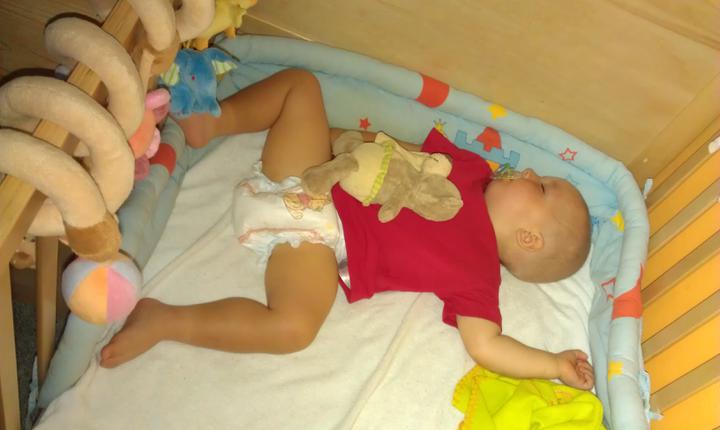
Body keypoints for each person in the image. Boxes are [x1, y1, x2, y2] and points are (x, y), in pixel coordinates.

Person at [100, 69, 594, 391]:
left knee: (295, 329)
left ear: (529, 239)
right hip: (312, 172)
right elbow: (399, 150)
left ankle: (167, 321)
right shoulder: (470, 169)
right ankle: (217, 121)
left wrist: (553, 364)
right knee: (301, 87)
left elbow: (486, 346)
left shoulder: (480, 278)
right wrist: (341, 142)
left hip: (316, 245)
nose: (530, 172)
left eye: (541, 187)